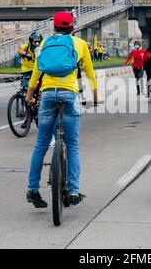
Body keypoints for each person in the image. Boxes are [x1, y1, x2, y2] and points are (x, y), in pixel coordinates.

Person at [25, 12, 100, 209]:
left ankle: (33, 189)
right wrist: (95, 95)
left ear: (54, 27)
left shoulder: (44, 43)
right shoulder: (80, 44)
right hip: (69, 94)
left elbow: (37, 71)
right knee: (72, 144)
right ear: (72, 27)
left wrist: (30, 94)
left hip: (48, 94)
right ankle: (74, 191)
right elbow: (89, 72)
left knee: (41, 145)